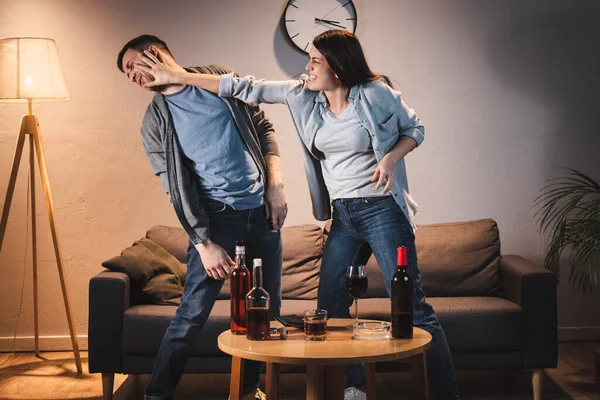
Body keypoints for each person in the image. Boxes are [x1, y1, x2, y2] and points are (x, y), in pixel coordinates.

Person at [134, 29, 459, 400]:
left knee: (412, 306)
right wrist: (178, 77)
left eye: (316, 60)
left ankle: (447, 395)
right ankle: (354, 386)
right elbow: (246, 87)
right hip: (344, 216)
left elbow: (415, 128)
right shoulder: (304, 96)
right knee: (331, 306)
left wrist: (389, 159)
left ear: (337, 67)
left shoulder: (375, 94)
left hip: (382, 208)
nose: (307, 67)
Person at [117, 34, 287, 400]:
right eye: (126, 73)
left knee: (265, 308)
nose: (131, 75)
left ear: (155, 53)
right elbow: (174, 189)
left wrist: (276, 185)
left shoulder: (219, 79)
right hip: (215, 222)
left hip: (262, 213)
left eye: (133, 65)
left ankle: (248, 390)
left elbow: (265, 130)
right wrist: (203, 243)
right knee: (191, 314)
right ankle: (156, 395)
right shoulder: (155, 123)